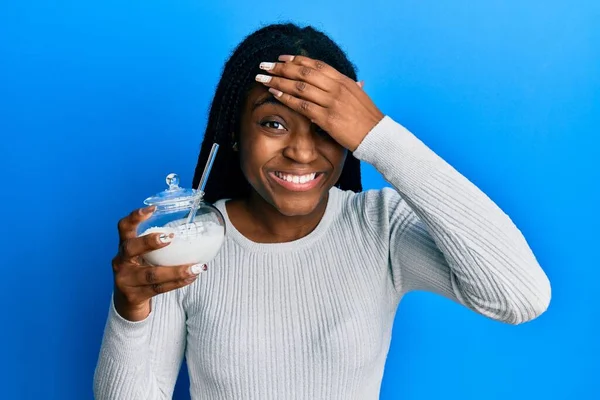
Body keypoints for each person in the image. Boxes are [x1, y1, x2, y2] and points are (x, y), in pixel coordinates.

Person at [94, 23, 551, 399]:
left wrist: (379, 136)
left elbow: (520, 298)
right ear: (234, 134)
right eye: (273, 123)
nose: (301, 151)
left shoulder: (380, 227)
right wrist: (129, 312)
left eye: (326, 127)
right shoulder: (188, 242)